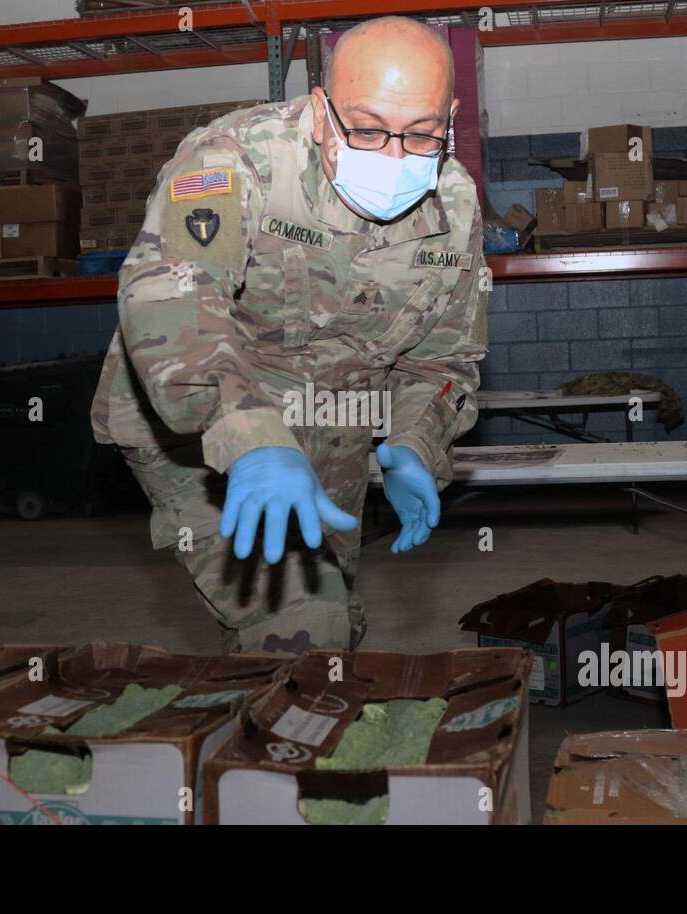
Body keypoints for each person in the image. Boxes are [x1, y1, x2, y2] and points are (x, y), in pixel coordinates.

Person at [91, 17, 488, 653]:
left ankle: (261, 729)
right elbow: (172, 298)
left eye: (421, 134)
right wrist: (251, 438)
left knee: (330, 614)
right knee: (305, 620)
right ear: (320, 107)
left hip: (333, 425)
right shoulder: (234, 161)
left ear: (451, 117)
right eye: (366, 128)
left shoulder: (454, 208)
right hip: (195, 428)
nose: (393, 155)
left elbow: (445, 360)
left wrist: (417, 440)